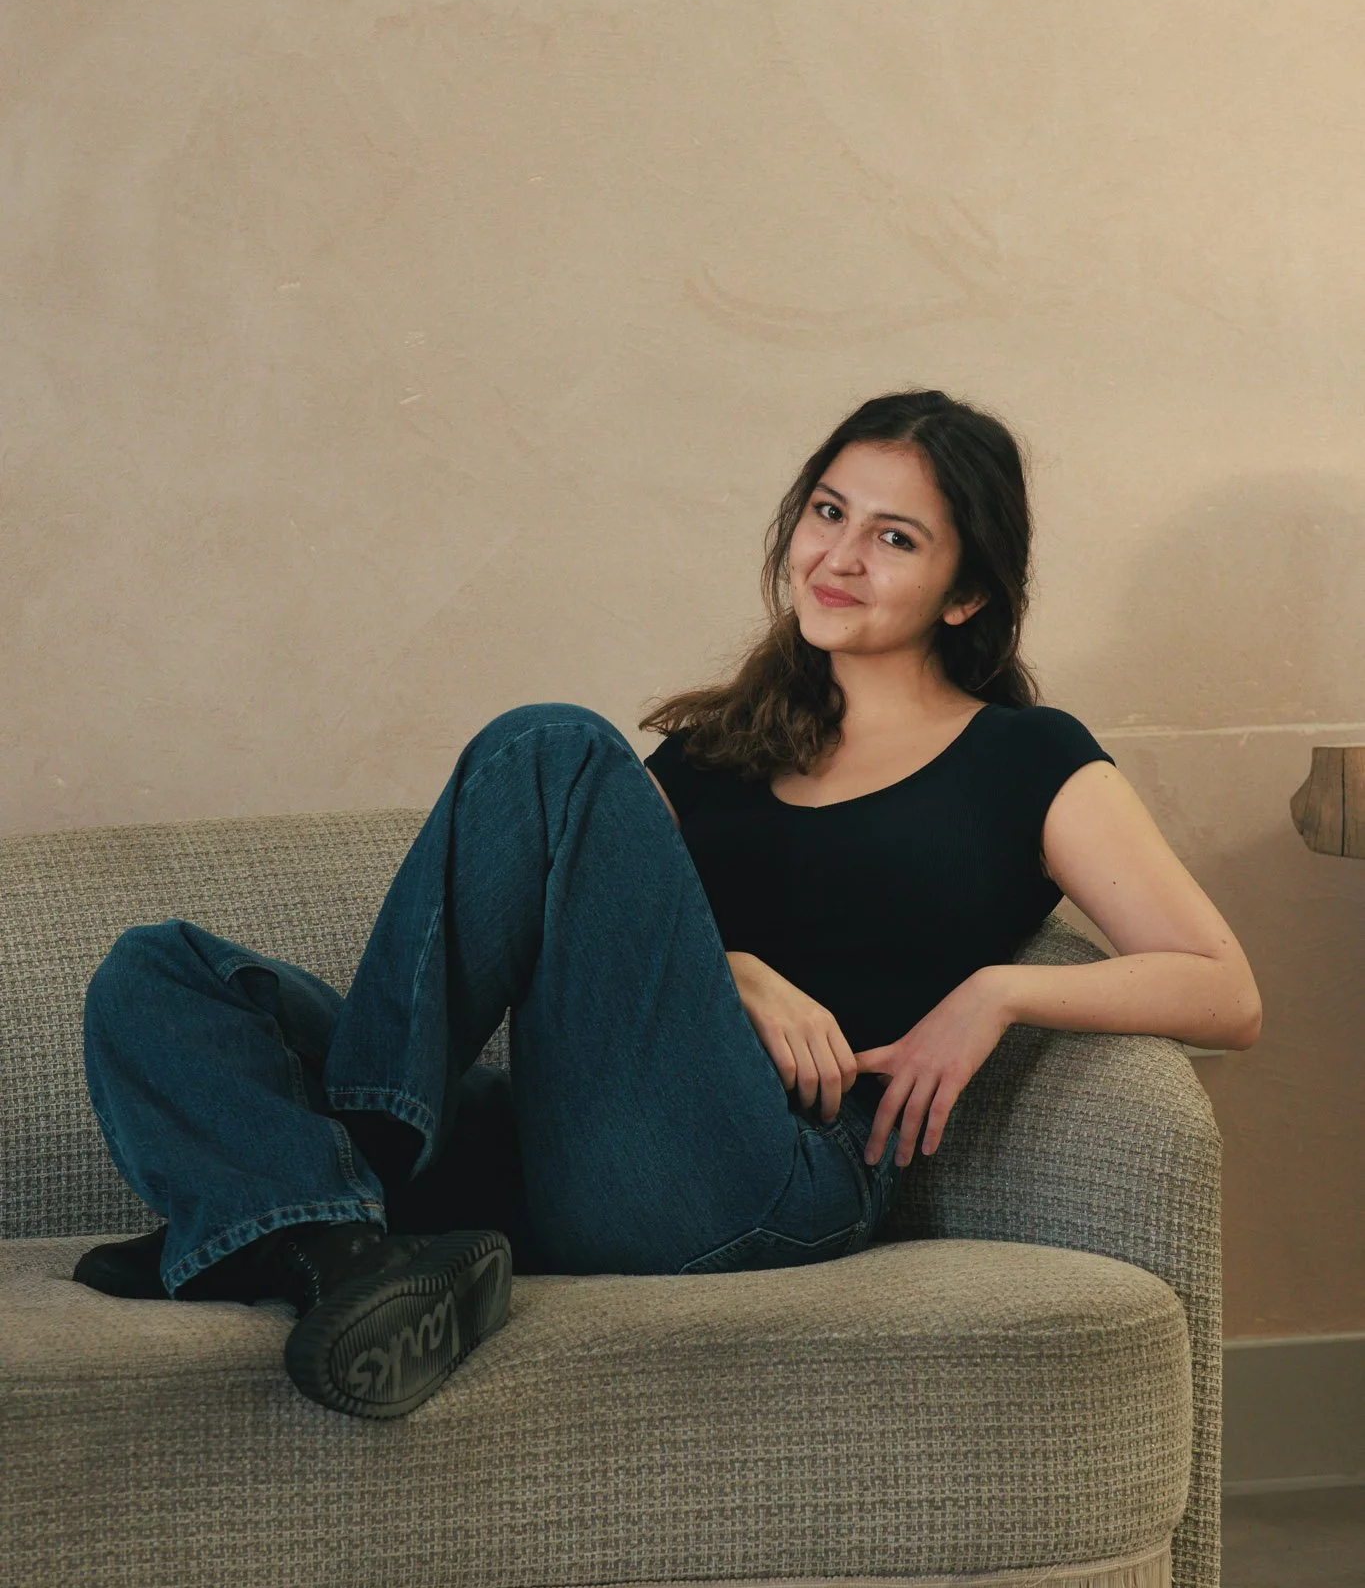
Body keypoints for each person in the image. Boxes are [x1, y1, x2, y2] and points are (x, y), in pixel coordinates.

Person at [73, 388, 1261, 1421]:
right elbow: (603, 936)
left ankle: (316, 1192)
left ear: (967, 593)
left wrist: (997, 992)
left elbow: (1224, 987)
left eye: (895, 537)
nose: (838, 556)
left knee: (552, 745)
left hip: (767, 1169)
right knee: (156, 969)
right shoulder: (715, 752)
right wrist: (734, 968)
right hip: (572, 1158)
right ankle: (338, 1246)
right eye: (827, 512)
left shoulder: (1026, 759)